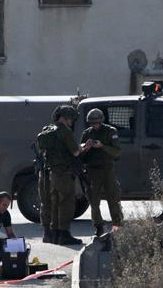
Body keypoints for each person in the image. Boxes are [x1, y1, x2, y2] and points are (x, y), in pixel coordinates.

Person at [40, 105, 93, 245]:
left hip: (50, 171)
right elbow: (75, 152)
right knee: (66, 202)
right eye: (71, 119)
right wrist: (85, 147)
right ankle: (64, 234)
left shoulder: (48, 129)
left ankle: (53, 234)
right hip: (63, 172)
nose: (72, 122)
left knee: (54, 202)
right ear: (65, 118)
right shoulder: (65, 131)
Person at [80, 108, 123, 236]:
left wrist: (102, 146)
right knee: (93, 200)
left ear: (101, 121)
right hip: (92, 171)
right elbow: (81, 157)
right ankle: (98, 226)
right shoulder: (87, 133)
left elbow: (117, 152)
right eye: (92, 123)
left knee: (113, 197)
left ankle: (118, 225)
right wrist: (85, 148)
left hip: (107, 169)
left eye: (97, 123)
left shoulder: (110, 132)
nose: (95, 125)